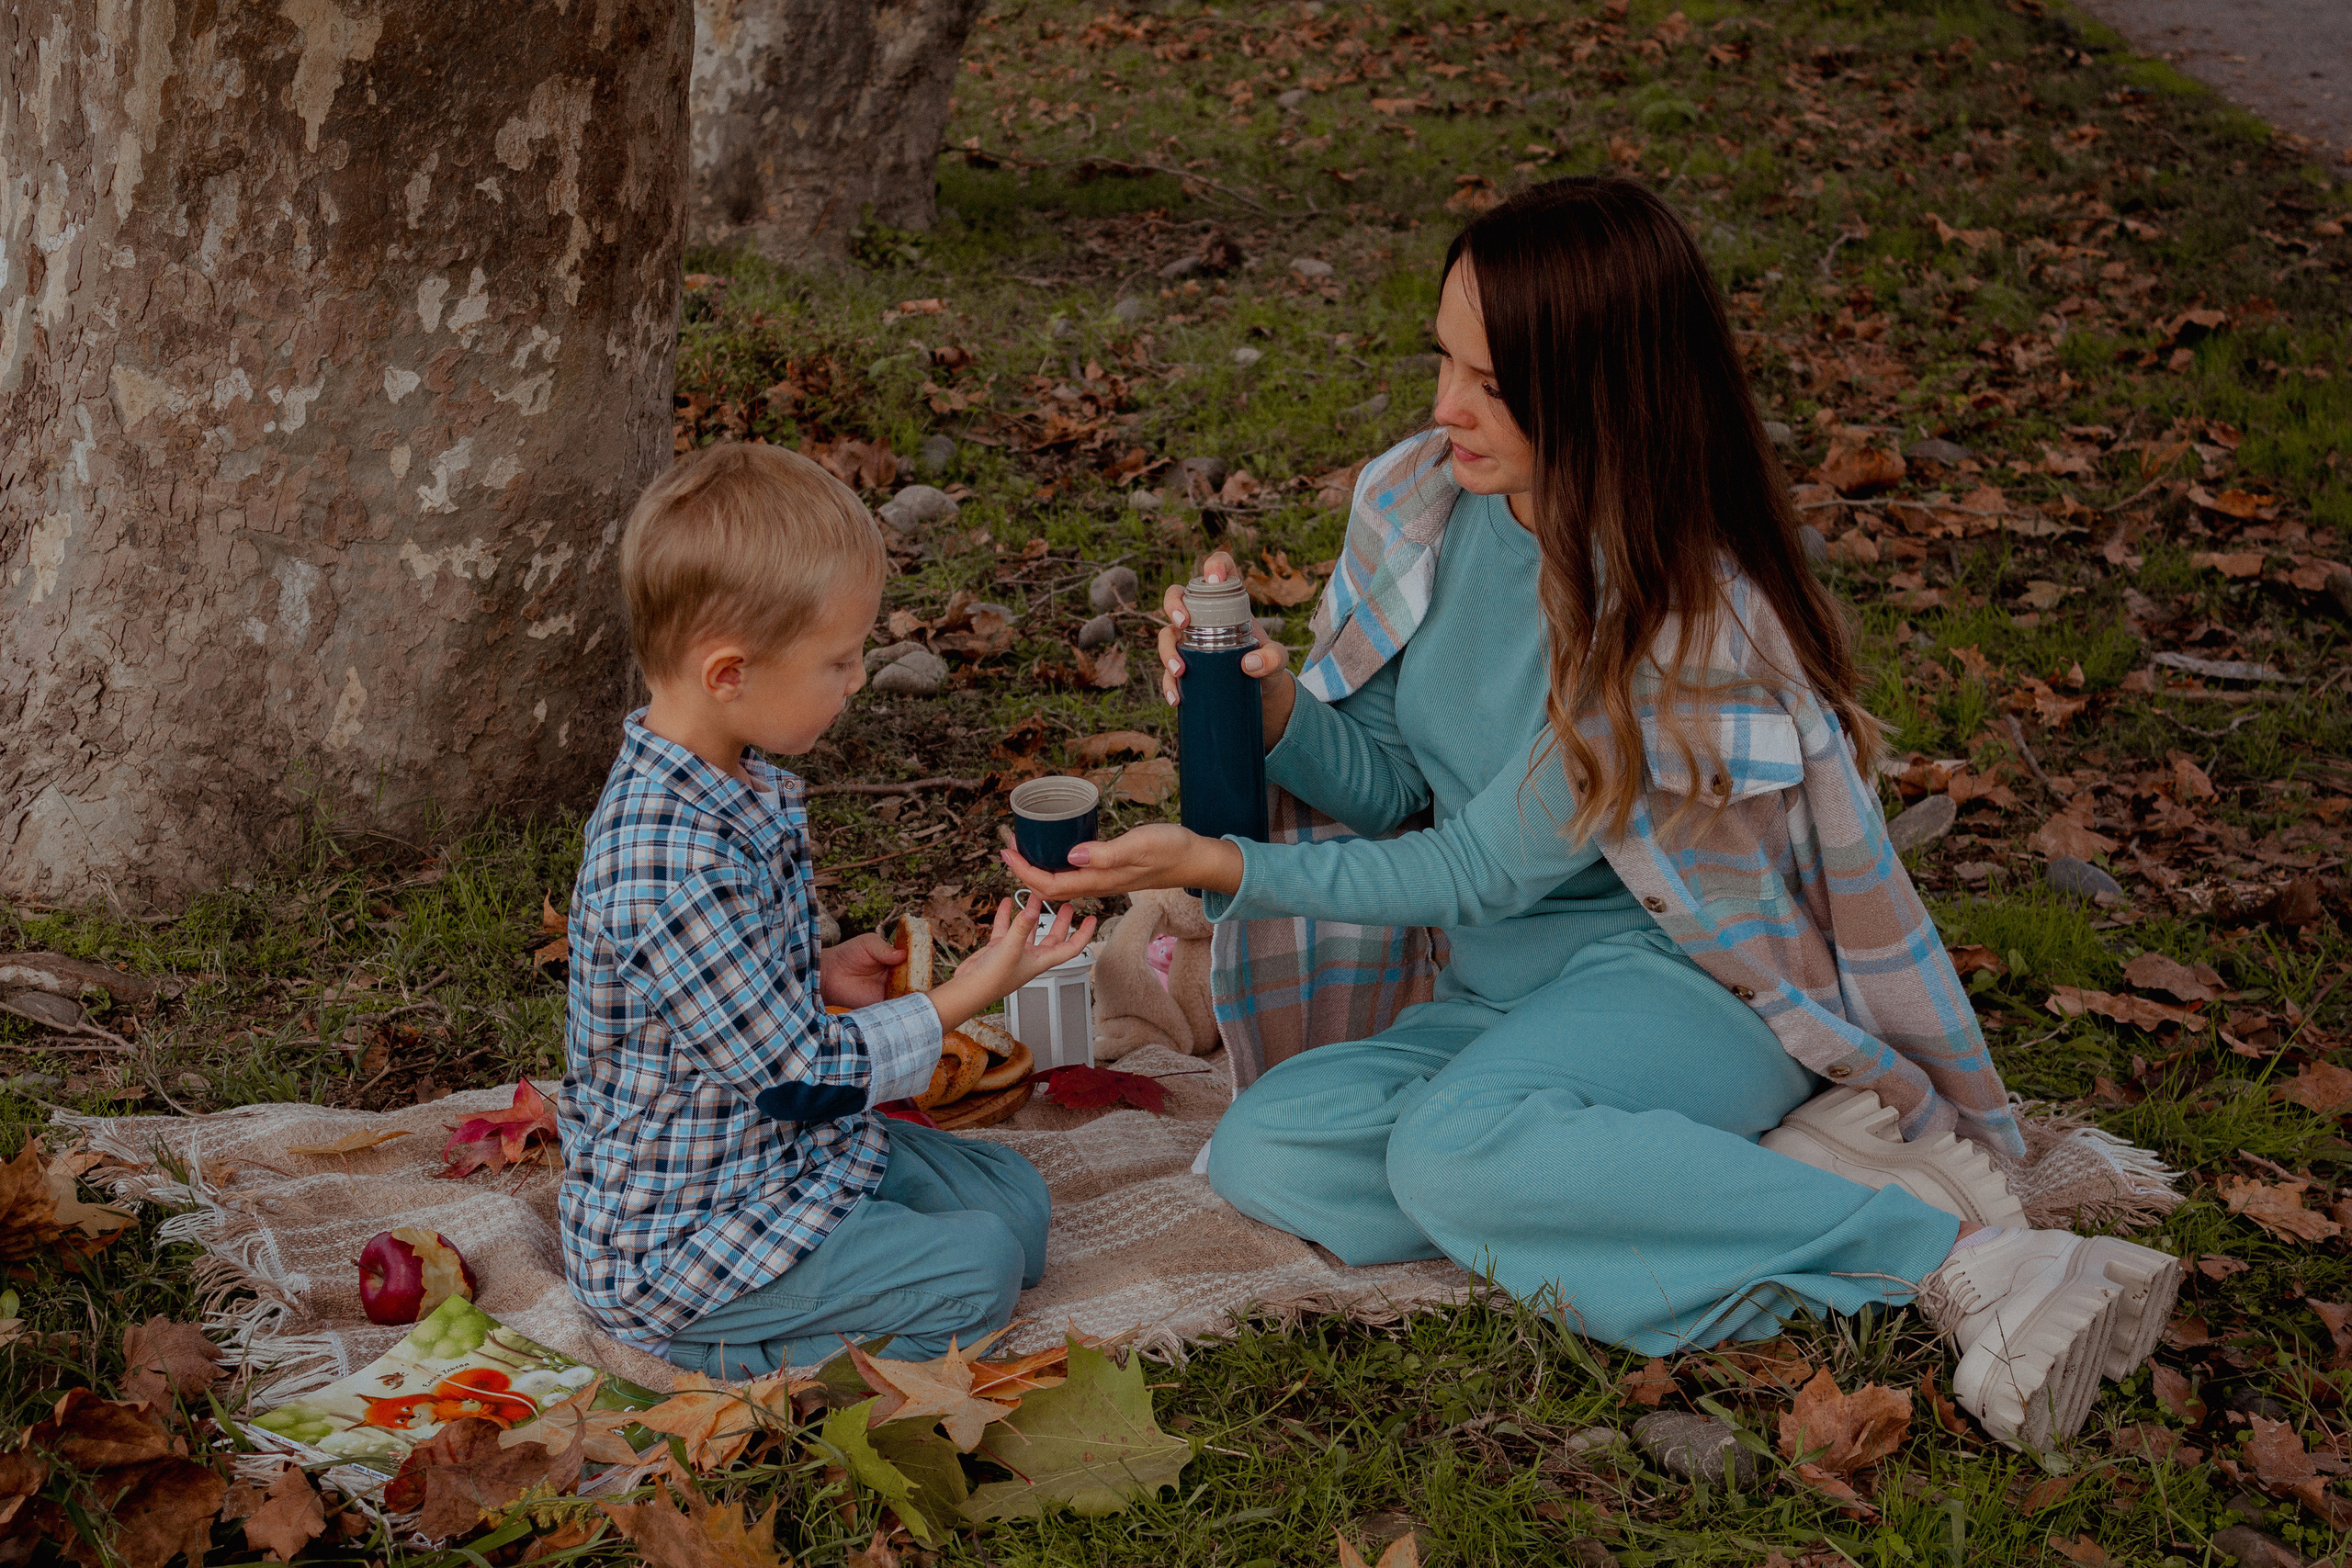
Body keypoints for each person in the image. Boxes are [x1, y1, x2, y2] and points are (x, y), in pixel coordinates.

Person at [1006, 176, 2175, 1448]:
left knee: (1451, 1153)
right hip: (1498, 1000)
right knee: (1268, 1147)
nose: (1446, 408)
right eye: (1444, 362)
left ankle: (1953, 1253)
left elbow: (1474, 870)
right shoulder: (1428, 508)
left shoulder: (1669, 609)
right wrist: (1271, 703)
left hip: (1684, 989)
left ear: (1601, 390)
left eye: (1493, 384)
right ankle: (1727, 1176)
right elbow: (1394, 784)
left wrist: (1222, 865)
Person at [558, 442, 1094, 1379]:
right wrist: (961, 997)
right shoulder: (665, 866)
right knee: (981, 1268)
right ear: (729, 673)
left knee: (1018, 1200)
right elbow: (797, 1076)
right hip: (689, 1236)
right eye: (838, 660)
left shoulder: (727, 783)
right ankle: (720, 1346)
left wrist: (817, 972)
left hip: (786, 1159)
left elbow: (723, 997)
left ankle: (861, 1255)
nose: (855, 679)